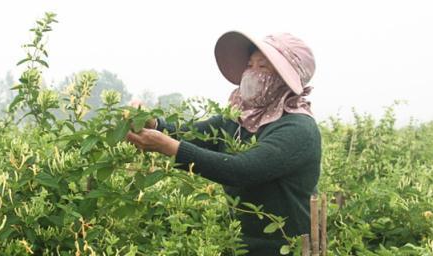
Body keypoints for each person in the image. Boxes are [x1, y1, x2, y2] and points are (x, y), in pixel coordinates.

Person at [126, 31, 321, 255]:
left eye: (263, 67)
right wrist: (153, 123)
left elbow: (242, 169)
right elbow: (193, 134)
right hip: (240, 246)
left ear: (285, 80)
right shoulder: (239, 118)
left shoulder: (297, 128)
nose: (251, 73)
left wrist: (168, 147)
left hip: (288, 249)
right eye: (250, 64)